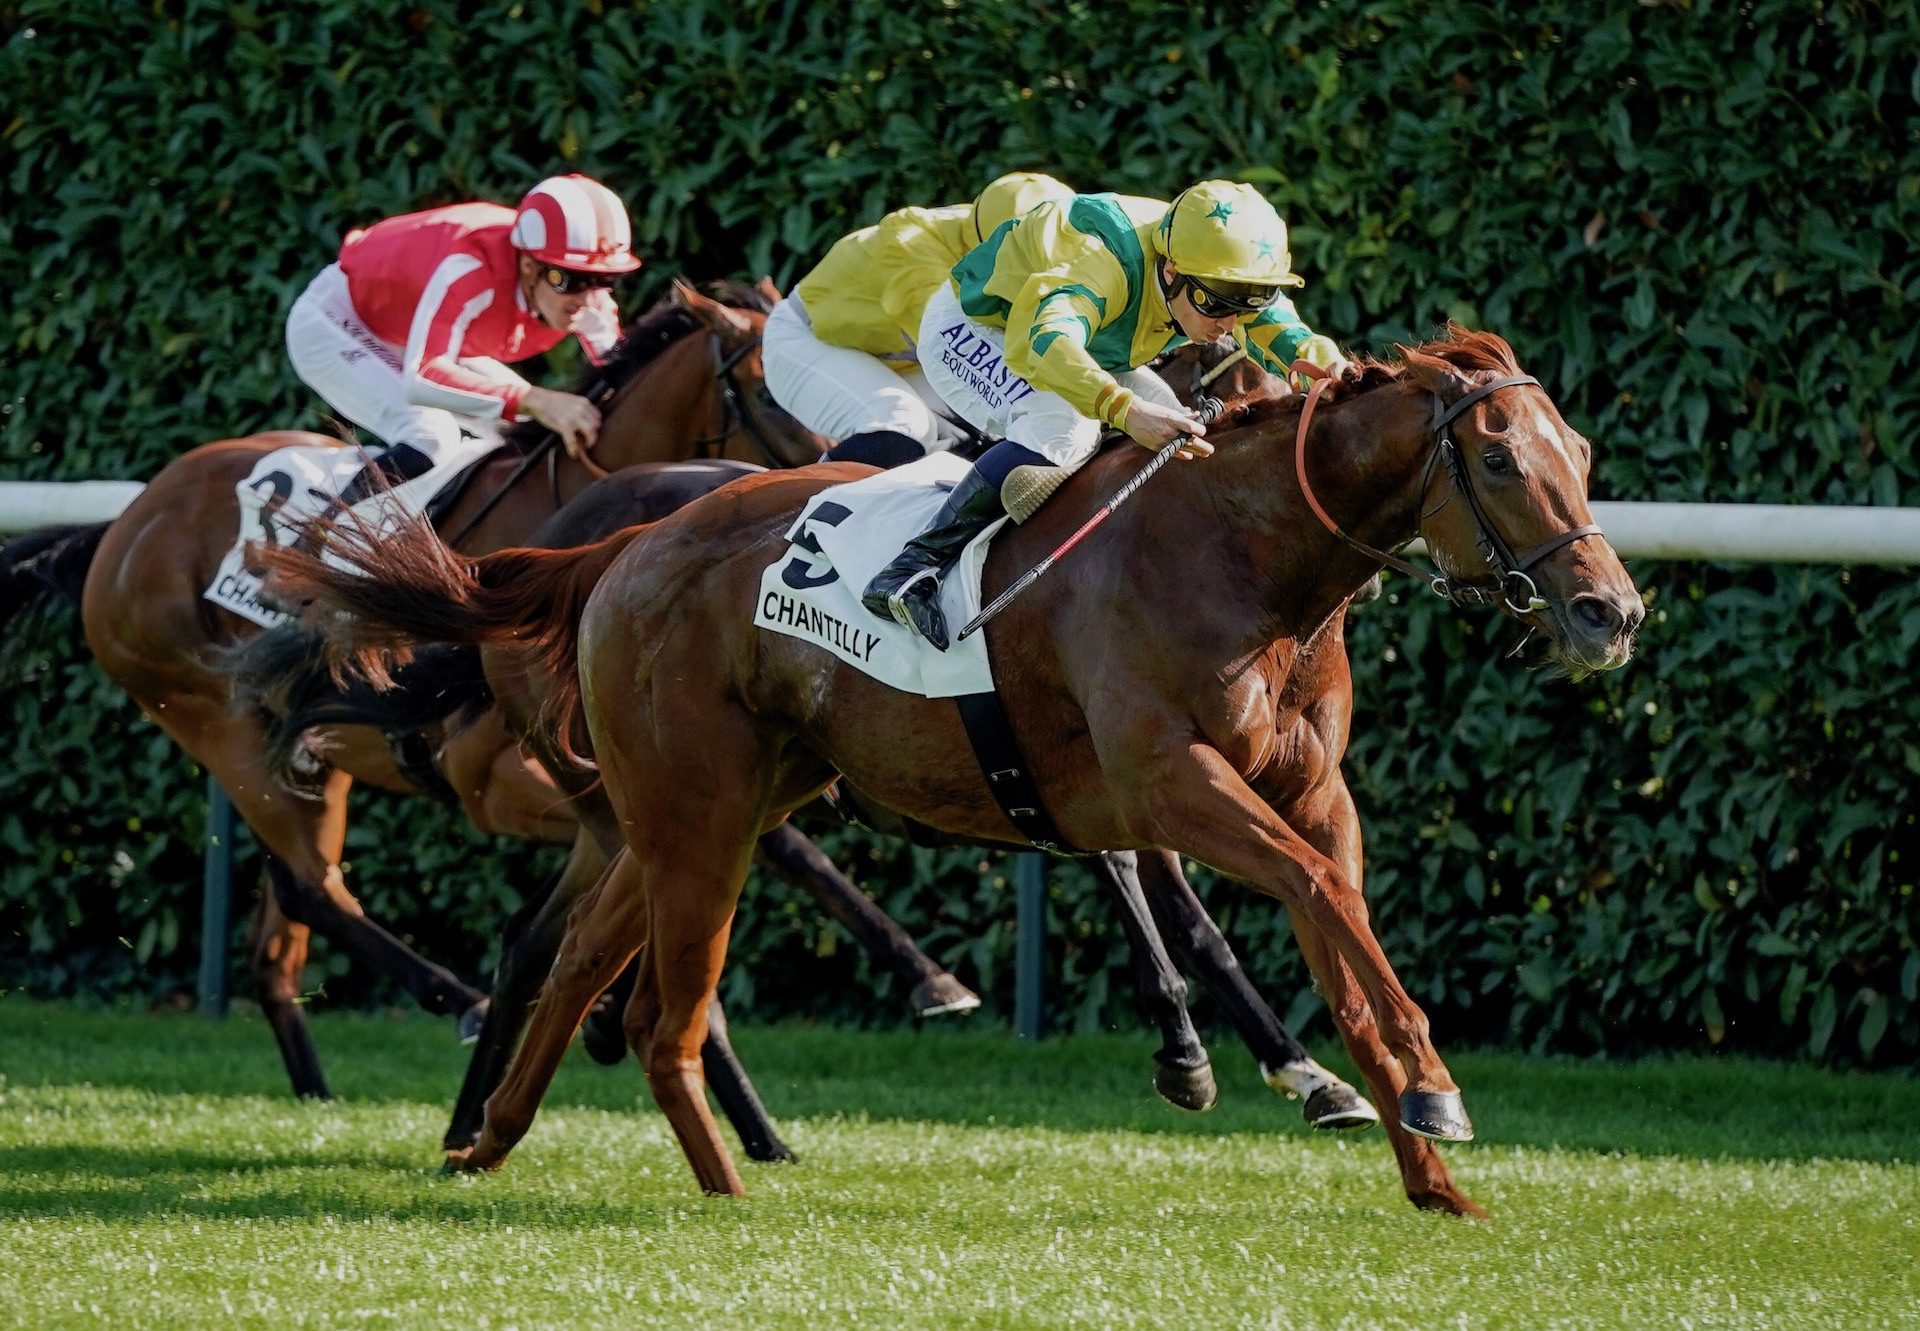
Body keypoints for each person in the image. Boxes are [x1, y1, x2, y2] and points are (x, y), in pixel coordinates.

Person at [861, 180, 1351, 649]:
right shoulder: (1103, 259)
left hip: (1088, 348)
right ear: (1171, 271)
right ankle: (910, 571)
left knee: (1183, 438)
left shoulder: (1219, 267)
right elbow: (1046, 343)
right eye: (1214, 305)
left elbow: (1286, 333)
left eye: (1248, 305)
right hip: (983, 328)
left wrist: (1327, 368)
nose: (1228, 324)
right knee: (1063, 428)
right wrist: (1125, 410)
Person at [282, 173, 641, 508]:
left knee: (524, 432)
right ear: (529, 266)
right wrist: (536, 398)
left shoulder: (591, 301)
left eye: (603, 279)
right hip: (335, 321)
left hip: (409, 330)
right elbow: (423, 378)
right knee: (430, 435)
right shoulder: (470, 269)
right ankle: (321, 535)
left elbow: (624, 381)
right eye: (572, 280)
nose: (587, 297)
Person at [762, 172, 1076, 469]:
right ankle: (803, 515)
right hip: (804, 343)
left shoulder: (998, 234)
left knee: (975, 434)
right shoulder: (912, 249)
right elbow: (962, 346)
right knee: (903, 425)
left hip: (885, 352)